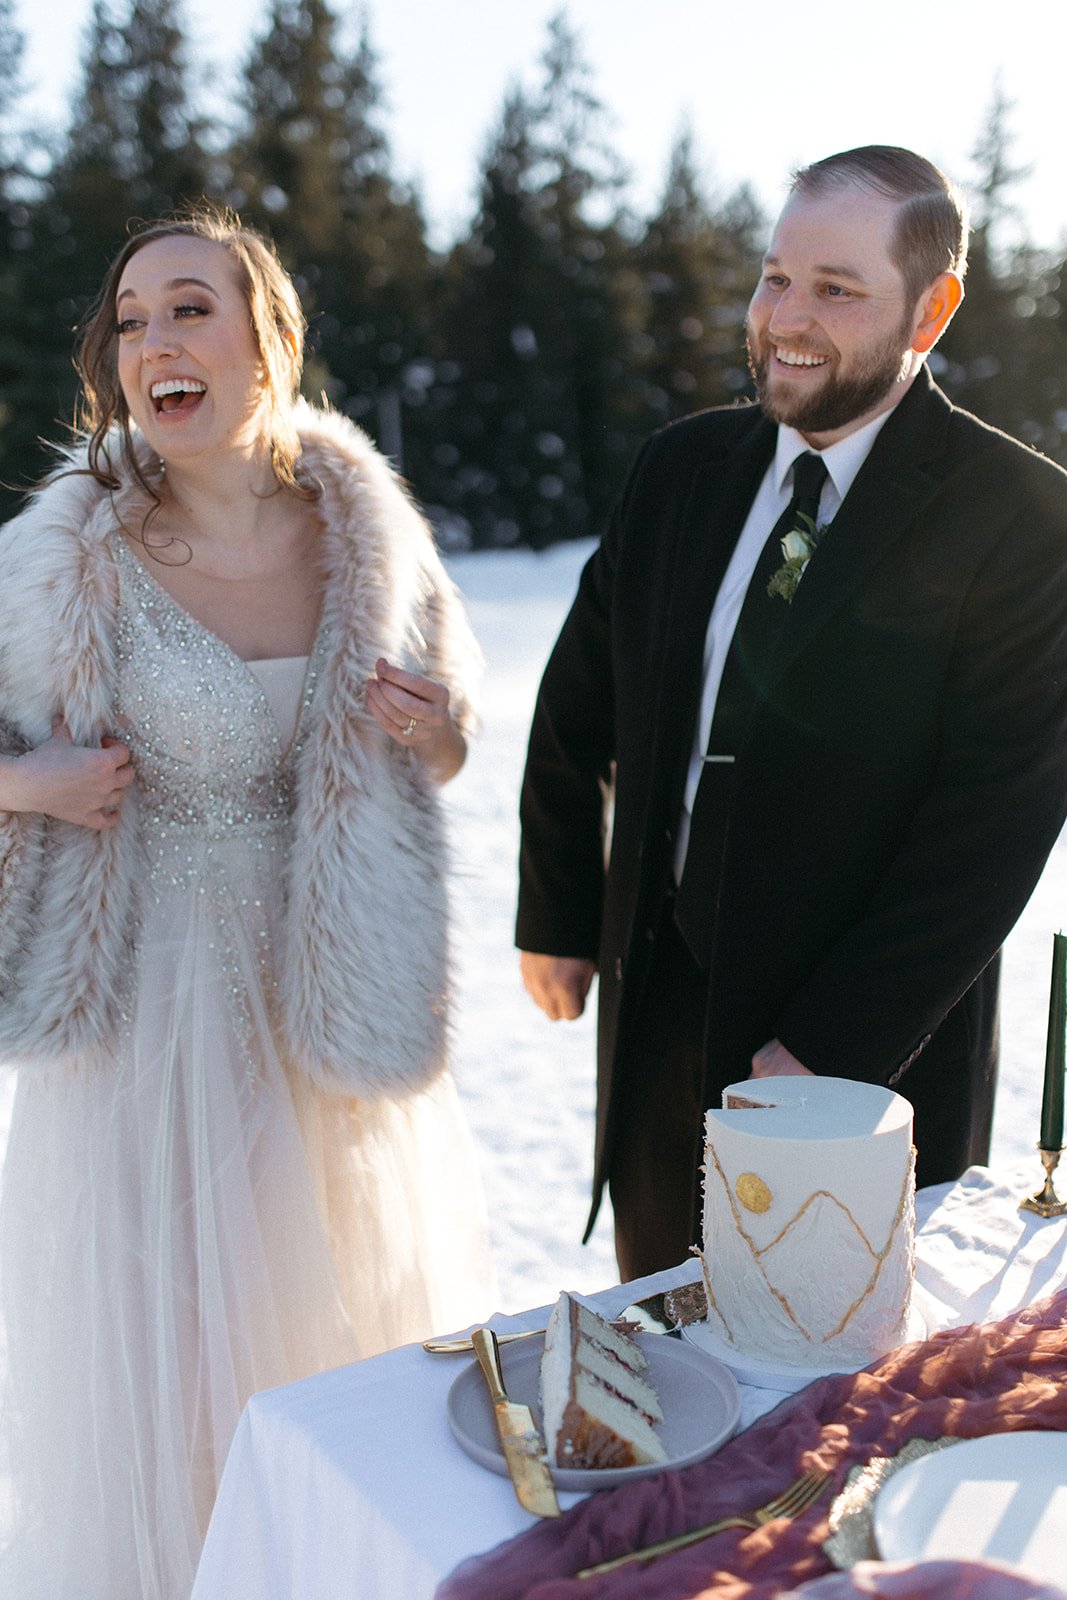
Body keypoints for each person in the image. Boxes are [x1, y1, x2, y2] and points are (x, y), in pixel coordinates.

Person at [0, 208, 496, 1599]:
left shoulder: (367, 533)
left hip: (331, 1007)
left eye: (189, 308)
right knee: (178, 1380)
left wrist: (435, 727)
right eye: (131, 318)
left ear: (270, 339)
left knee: (332, 1348)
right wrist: (32, 788)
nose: (153, 339)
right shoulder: (61, 554)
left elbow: (450, 743)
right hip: (146, 1033)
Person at [517, 145, 1067, 1282]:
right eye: (774, 278)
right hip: (658, 1004)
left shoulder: (1021, 517)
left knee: (828, 1412)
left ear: (932, 308)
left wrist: (826, 1048)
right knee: (662, 1348)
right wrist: (559, 910)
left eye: (834, 288)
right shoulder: (679, 468)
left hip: (863, 1055)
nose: (783, 319)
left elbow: (989, 828)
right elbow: (578, 698)